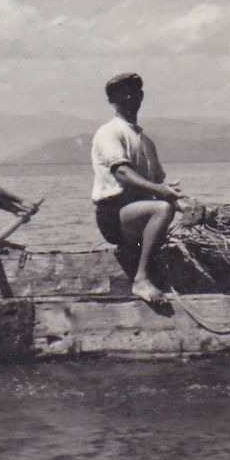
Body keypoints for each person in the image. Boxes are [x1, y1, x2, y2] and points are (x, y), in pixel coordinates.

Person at [90, 72, 183, 306]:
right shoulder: (109, 132)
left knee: (171, 204)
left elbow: (158, 183)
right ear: (113, 100)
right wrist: (161, 192)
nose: (131, 97)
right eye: (124, 93)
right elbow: (121, 172)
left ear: (141, 97)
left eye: (135, 92)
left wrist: (175, 196)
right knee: (162, 208)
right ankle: (141, 279)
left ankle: (151, 267)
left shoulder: (146, 141)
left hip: (139, 209)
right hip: (114, 214)